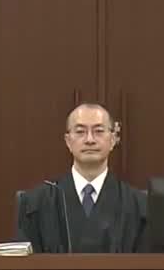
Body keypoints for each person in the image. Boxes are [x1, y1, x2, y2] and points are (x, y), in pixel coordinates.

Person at [16, 103, 147, 253]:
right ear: (68, 141)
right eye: (80, 132)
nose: (90, 140)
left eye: (98, 131)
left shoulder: (139, 205)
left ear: (113, 139)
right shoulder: (36, 203)